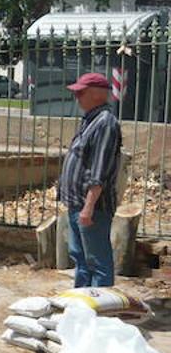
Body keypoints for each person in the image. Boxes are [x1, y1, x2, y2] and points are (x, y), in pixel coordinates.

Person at [57, 72, 122, 288]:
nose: (77, 98)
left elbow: (100, 171)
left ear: (97, 94)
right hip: (78, 204)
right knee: (81, 258)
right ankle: (82, 306)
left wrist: (88, 207)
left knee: (97, 261)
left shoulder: (105, 124)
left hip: (93, 207)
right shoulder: (91, 120)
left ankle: (100, 313)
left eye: (81, 93)